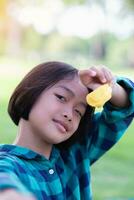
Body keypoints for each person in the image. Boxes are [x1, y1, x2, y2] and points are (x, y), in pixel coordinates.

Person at [0, 61, 133, 200]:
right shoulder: (8, 164)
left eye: (78, 112)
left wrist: (108, 87)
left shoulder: (75, 151)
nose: (69, 115)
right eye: (61, 97)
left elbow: (124, 110)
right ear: (30, 91)